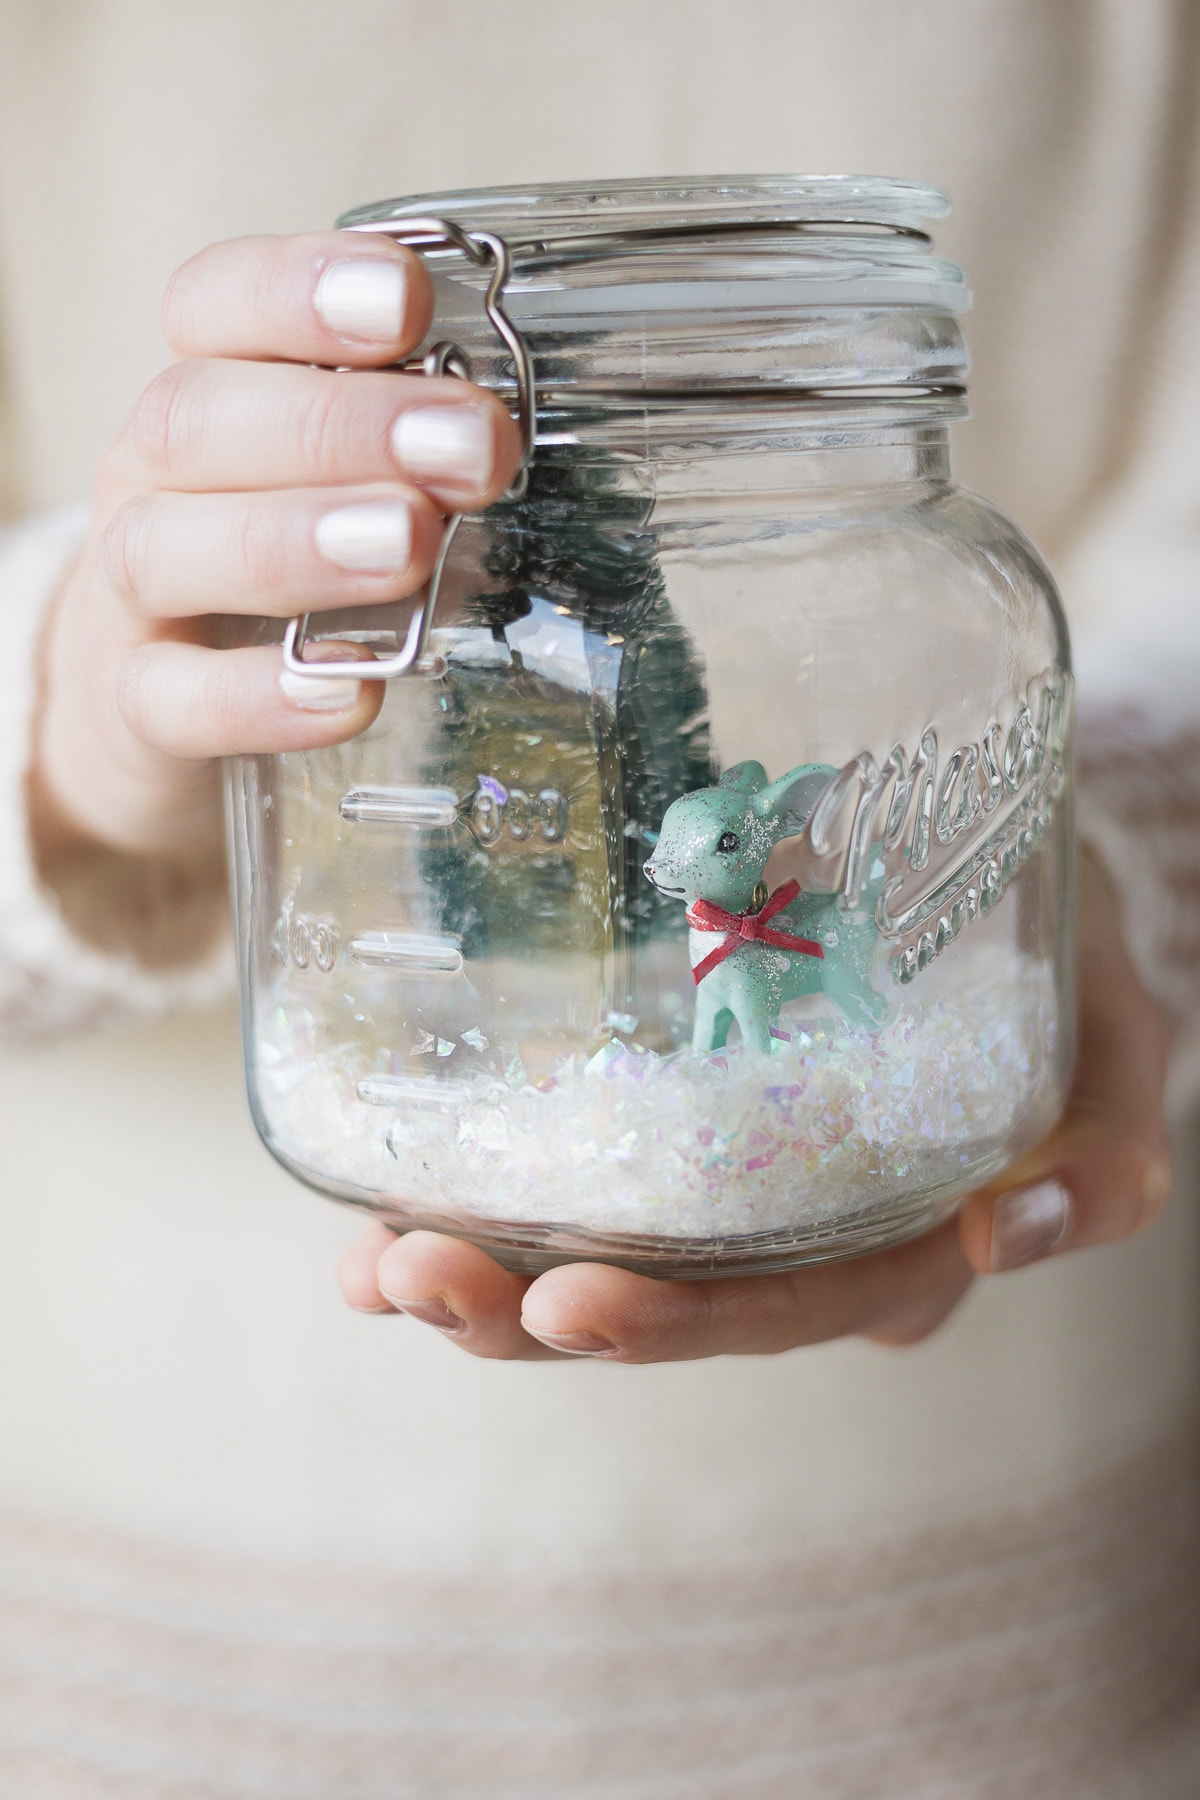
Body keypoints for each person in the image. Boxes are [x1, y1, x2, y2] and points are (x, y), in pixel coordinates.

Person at [0, 3, 1197, 1792]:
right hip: (158, 1622)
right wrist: (84, 722)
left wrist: (1066, 852)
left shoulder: (939, 581)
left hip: (998, 1631)